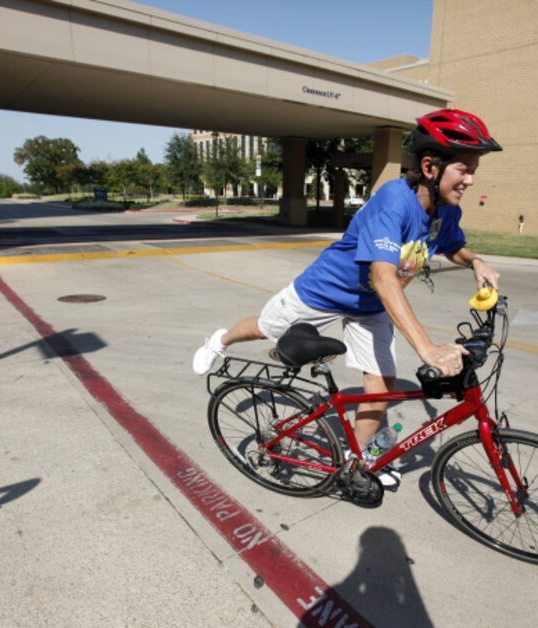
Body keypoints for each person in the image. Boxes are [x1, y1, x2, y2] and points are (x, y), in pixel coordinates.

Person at [193, 108, 502, 485]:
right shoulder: (394, 201)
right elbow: (384, 276)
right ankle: (219, 340)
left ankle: (361, 462)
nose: (470, 179)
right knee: (263, 328)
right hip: (324, 291)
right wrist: (427, 349)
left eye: (474, 171)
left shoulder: (445, 209)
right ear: (430, 167)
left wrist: (475, 263)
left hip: (370, 307)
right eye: (464, 169)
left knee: (381, 384)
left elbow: (452, 246)